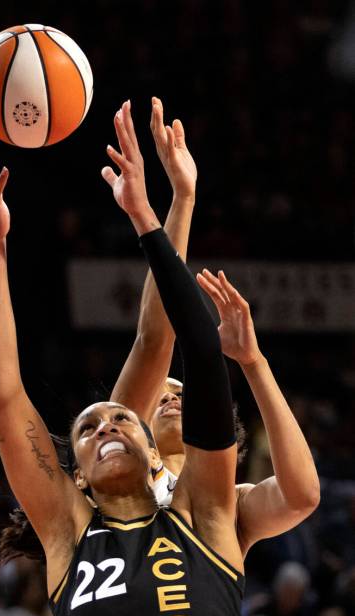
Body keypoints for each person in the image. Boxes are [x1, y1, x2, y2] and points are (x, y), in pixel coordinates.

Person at [0, 93, 252, 616]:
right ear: (76, 478)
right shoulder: (68, 534)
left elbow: (196, 351)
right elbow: (2, 393)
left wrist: (149, 216)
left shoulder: (203, 507)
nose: (108, 427)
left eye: (121, 418)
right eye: (88, 429)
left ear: (152, 452)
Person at [108, 100, 321, 558]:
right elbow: (154, 341)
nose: (169, 396)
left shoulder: (233, 504)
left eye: (180, 391)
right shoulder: (118, 475)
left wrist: (254, 363)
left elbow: (302, 495)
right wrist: (178, 204)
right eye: (159, 394)